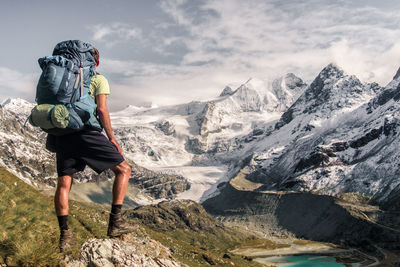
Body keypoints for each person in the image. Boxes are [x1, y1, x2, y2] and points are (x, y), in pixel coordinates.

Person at [53, 47, 135, 252]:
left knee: (64, 183)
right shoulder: (98, 79)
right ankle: (115, 222)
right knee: (124, 169)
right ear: (95, 63)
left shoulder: (60, 79)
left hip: (61, 132)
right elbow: (101, 109)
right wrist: (111, 138)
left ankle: (65, 237)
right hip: (85, 132)